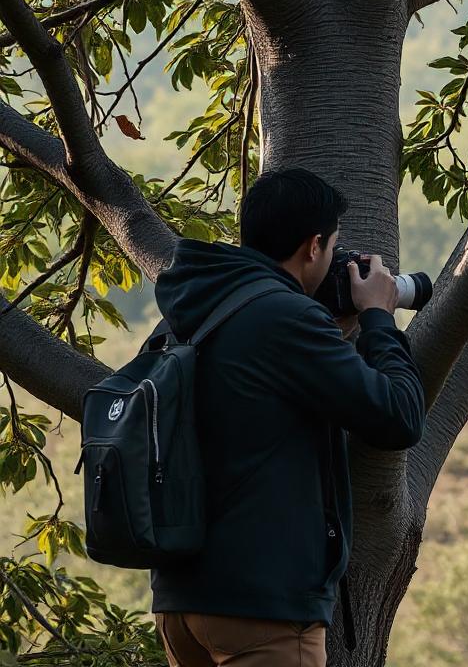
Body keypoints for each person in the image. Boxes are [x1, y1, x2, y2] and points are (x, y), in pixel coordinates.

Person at [149, 168, 426, 666]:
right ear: (313, 247)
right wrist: (379, 318)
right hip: (261, 607)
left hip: (181, 602)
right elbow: (400, 416)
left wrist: (328, 331)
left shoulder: (193, 309)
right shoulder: (286, 319)